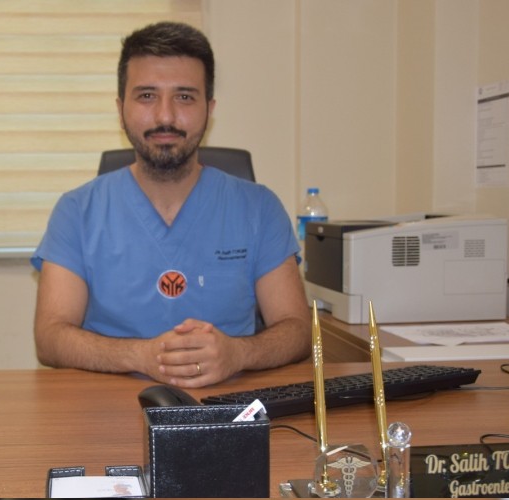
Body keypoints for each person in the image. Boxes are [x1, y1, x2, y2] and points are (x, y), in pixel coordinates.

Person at [31, 21, 311, 388]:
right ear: (120, 109)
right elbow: (50, 337)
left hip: (227, 403)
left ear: (209, 109)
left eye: (185, 97)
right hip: (103, 407)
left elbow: (298, 330)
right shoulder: (77, 211)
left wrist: (239, 354)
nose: (165, 116)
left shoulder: (259, 208)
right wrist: (141, 356)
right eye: (147, 96)